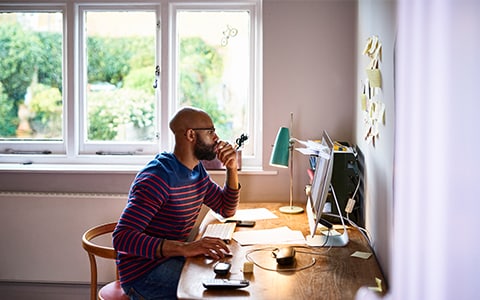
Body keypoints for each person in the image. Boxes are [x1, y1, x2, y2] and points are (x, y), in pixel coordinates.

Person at [113, 106, 240, 299]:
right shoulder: (158, 178)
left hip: (171, 259)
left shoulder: (197, 172)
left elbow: (226, 208)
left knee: (227, 278)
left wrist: (232, 168)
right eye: (211, 132)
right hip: (143, 274)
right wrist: (185, 248)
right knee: (216, 292)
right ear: (191, 135)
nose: (217, 138)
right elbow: (122, 237)